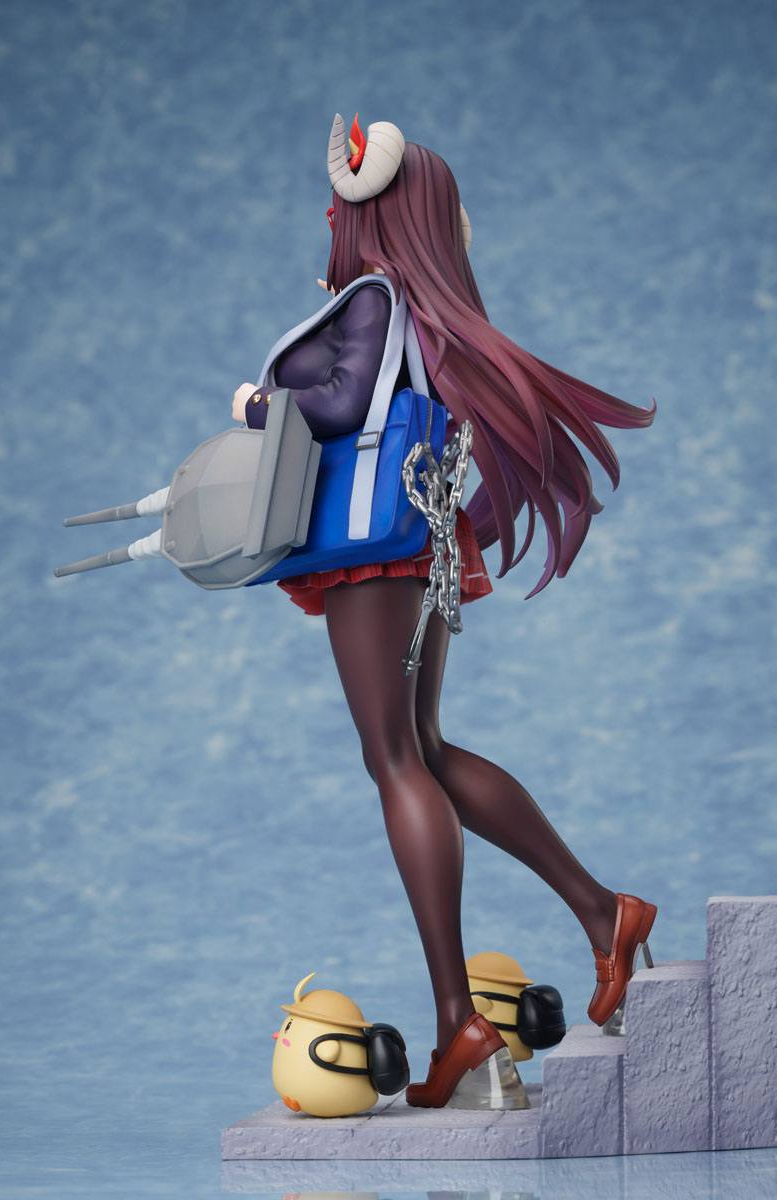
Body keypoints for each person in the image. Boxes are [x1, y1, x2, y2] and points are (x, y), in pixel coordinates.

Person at [232, 114, 659, 1110]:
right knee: (421, 749)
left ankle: (459, 1019)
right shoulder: (422, 311)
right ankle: (604, 914)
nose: (328, 219)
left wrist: (258, 406)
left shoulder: (375, 301)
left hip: (375, 550)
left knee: (394, 761)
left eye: (339, 206)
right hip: (417, 541)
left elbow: (343, 405)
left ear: (369, 214)